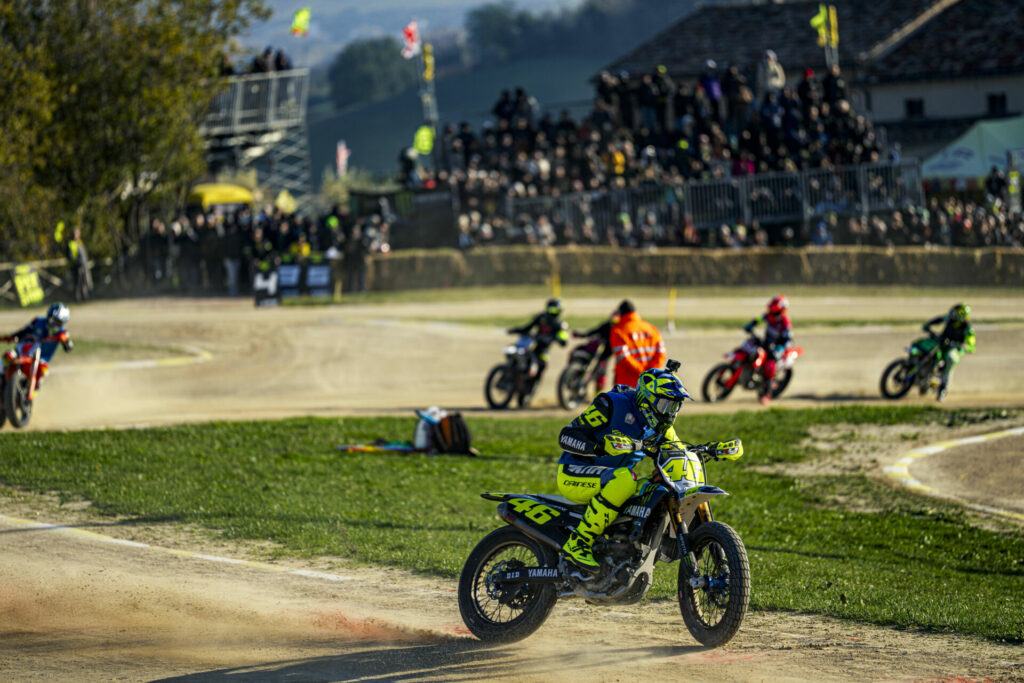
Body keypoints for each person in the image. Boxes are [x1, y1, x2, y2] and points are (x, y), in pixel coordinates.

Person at [557, 362, 691, 574]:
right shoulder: (611, 404)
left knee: (654, 487)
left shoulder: (661, 427)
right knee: (625, 478)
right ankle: (579, 542)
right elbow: (566, 437)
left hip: (615, 478)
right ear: (647, 399)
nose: (669, 414)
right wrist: (598, 447)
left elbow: (678, 451)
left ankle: (622, 546)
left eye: (675, 407)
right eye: (665, 405)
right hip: (574, 471)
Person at [1, 303, 73, 390]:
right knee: (6, 357)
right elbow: (22, 332)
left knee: (44, 369)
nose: (53, 324)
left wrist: (65, 341)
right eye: (52, 320)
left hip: (41, 359)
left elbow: (69, 347)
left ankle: (33, 391)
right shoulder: (37, 322)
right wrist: (10, 338)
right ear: (48, 316)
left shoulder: (62, 333)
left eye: (58, 323)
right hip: (21, 353)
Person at [507, 298, 569, 394]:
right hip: (531, 344)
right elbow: (528, 327)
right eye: (550, 309)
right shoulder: (541, 317)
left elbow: (563, 338)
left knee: (542, 364)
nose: (552, 312)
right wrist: (516, 330)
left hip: (543, 349)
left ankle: (532, 386)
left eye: (555, 310)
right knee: (514, 352)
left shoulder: (560, 324)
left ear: (559, 310)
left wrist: (556, 339)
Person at [743, 295, 793, 405]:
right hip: (765, 344)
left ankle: (767, 394)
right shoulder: (768, 316)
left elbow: (788, 340)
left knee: (770, 367)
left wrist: (782, 349)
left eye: (774, 311)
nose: (771, 313)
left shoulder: (785, 323)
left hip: (775, 349)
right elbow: (758, 319)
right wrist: (750, 325)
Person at [922, 303, 976, 400]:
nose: (954, 314)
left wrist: (964, 346)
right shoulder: (950, 319)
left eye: (957, 312)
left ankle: (943, 388)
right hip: (943, 342)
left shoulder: (967, 328)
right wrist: (928, 324)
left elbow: (971, 346)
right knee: (926, 347)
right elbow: (939, 320)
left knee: (950, 359)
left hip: (954, 349)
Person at [609, 300, 666, 389]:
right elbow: (661, 354)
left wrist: (641, 371)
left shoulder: (618, 330)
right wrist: (650, 371)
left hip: (627, 383)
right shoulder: (651, 328)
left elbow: (623, 357)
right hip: (651, 381)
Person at [65, 228, 92, 302]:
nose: (75, 235)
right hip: (76, 267)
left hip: (84, 266)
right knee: (77, 284)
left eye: (77, 233)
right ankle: (77, 299)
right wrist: (77, 262)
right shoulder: (70, 243)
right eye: (74, 233)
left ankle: (85, 298)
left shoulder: (80, 242)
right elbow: (70, 257)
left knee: (85, 283)